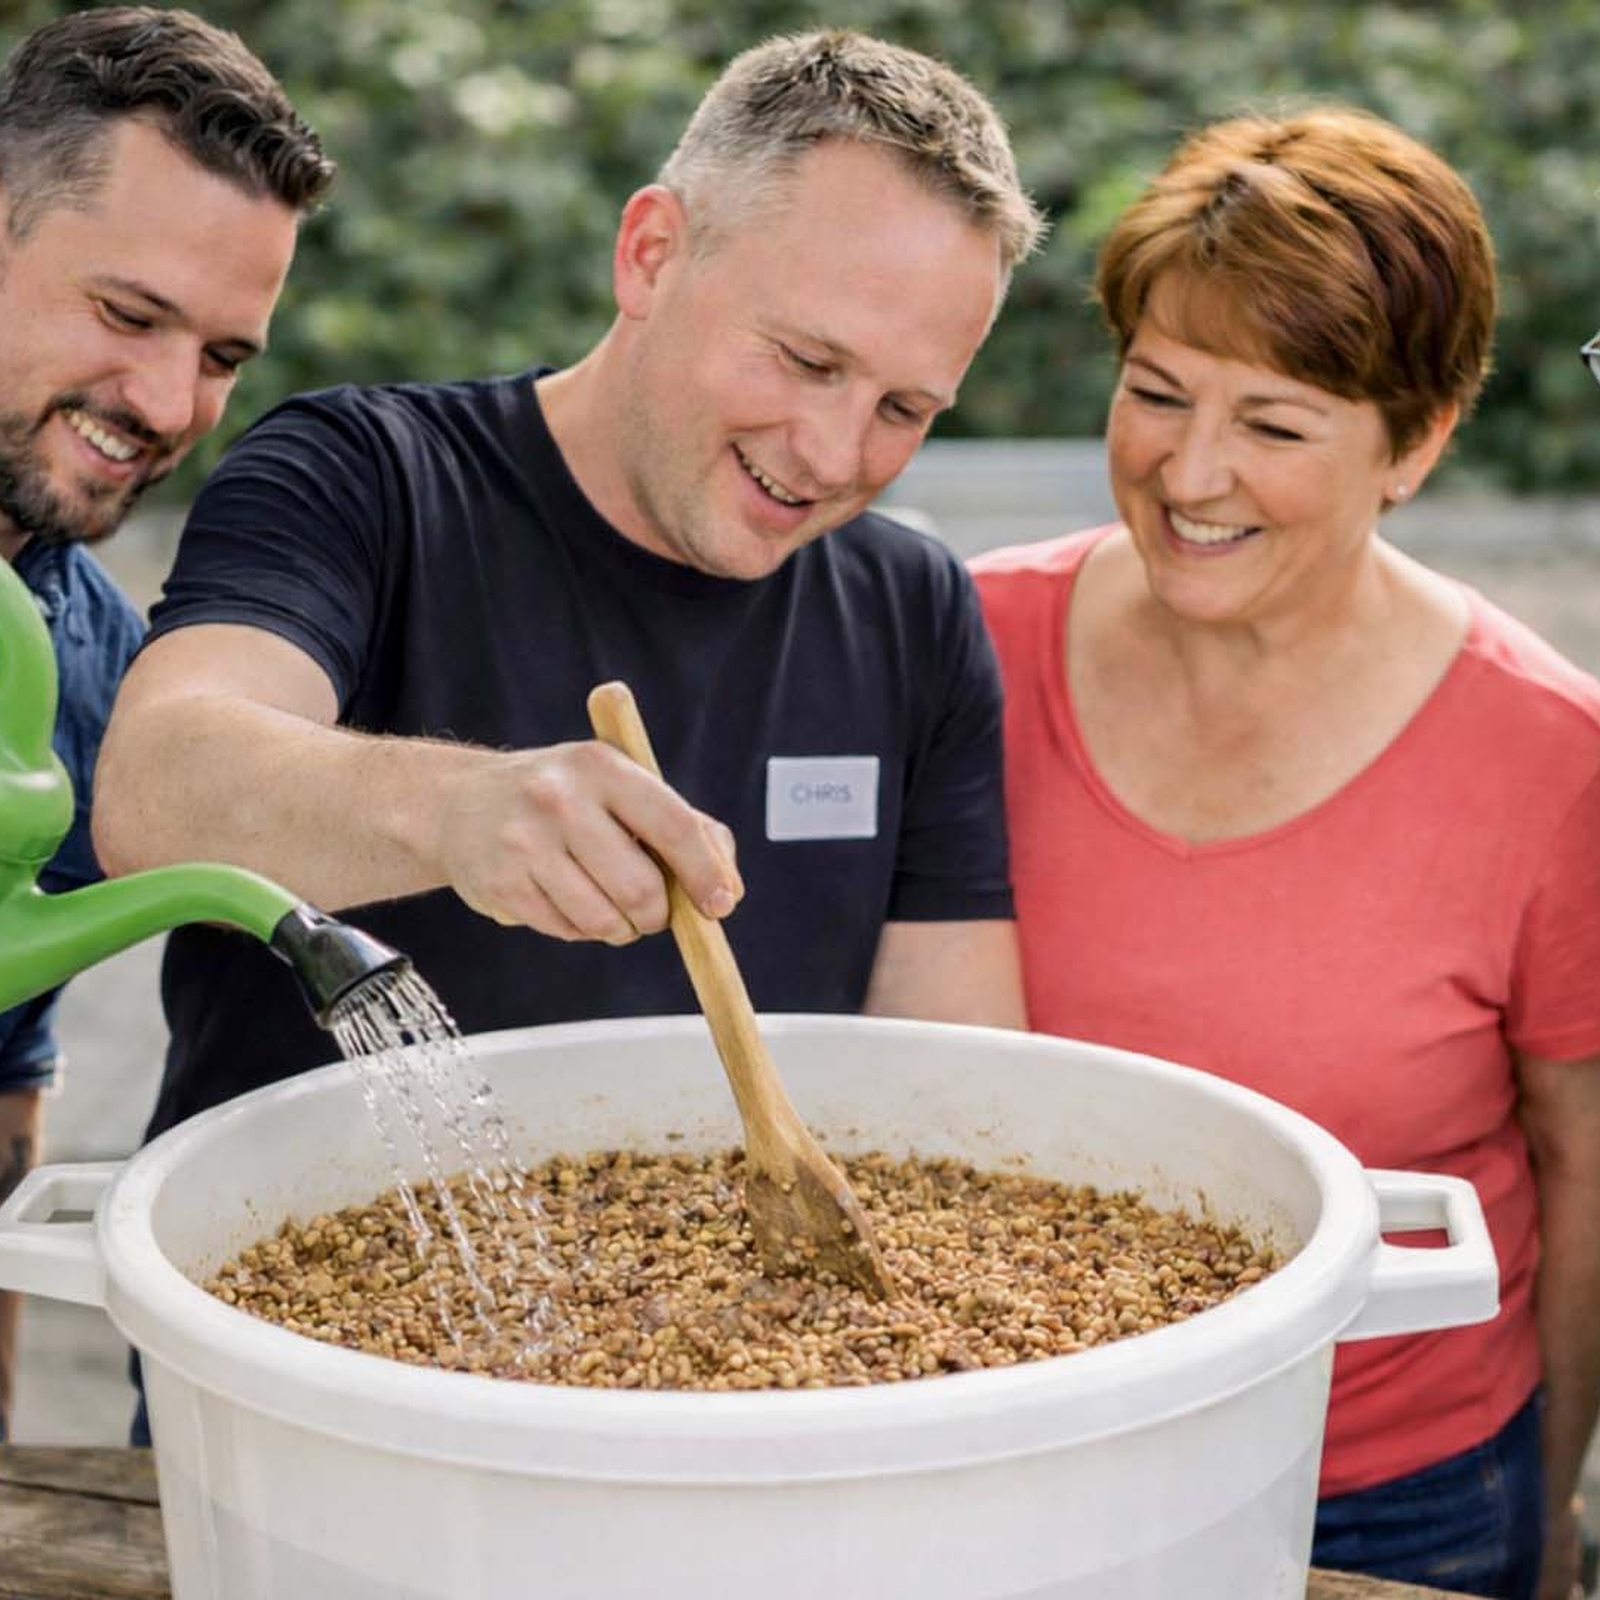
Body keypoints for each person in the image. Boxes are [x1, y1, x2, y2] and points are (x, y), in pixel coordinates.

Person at [92, 32, 1039, 1153]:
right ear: (649, 253)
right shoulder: (362, 474)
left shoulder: (910, 607)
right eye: (805, 360)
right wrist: (456, 812)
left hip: (748, 1323)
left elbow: (961, 1091)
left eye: (905, 410)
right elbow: (153, 789)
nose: (835, 454)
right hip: (287, 1285)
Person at [971, 107, 1600, 1600]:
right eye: (1158, 393)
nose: (1192, 476)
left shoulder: (1554, 757)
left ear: (1420, 444)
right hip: (1020, 1462)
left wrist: (1554, 1492)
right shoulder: (963, 651)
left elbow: (1587, 1165)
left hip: (1401, 1499)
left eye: (1273, 425)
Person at [0, 6, 332, 1442]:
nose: (163, 401)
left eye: (222, 355)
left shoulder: (88, 667)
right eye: (128, 316)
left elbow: (9, 1084)